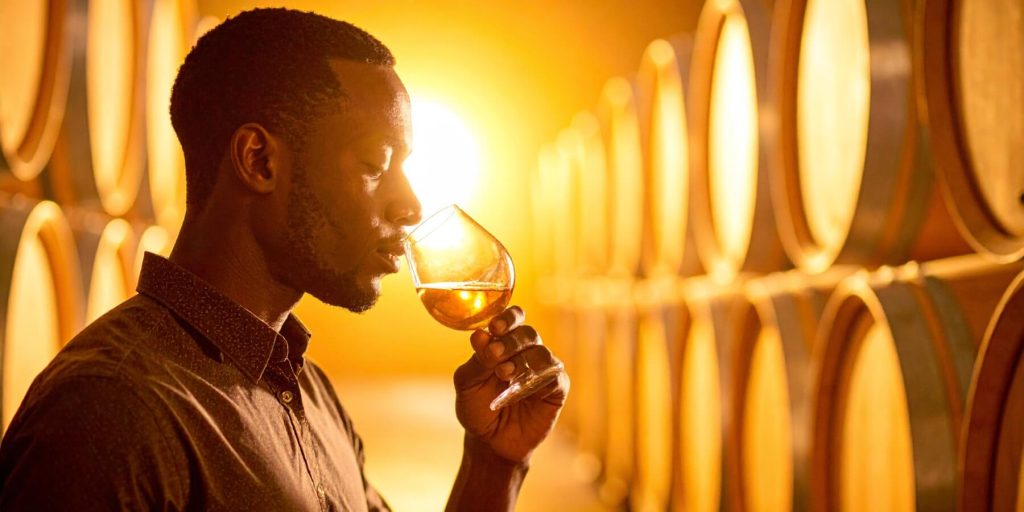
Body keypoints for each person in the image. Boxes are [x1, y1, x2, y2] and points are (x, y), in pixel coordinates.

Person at [0, 8, 568, 511]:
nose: (412, 205)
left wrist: (495, 462)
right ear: (259, 161)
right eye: (376, 164)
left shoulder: (306, 388)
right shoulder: (109, 412)